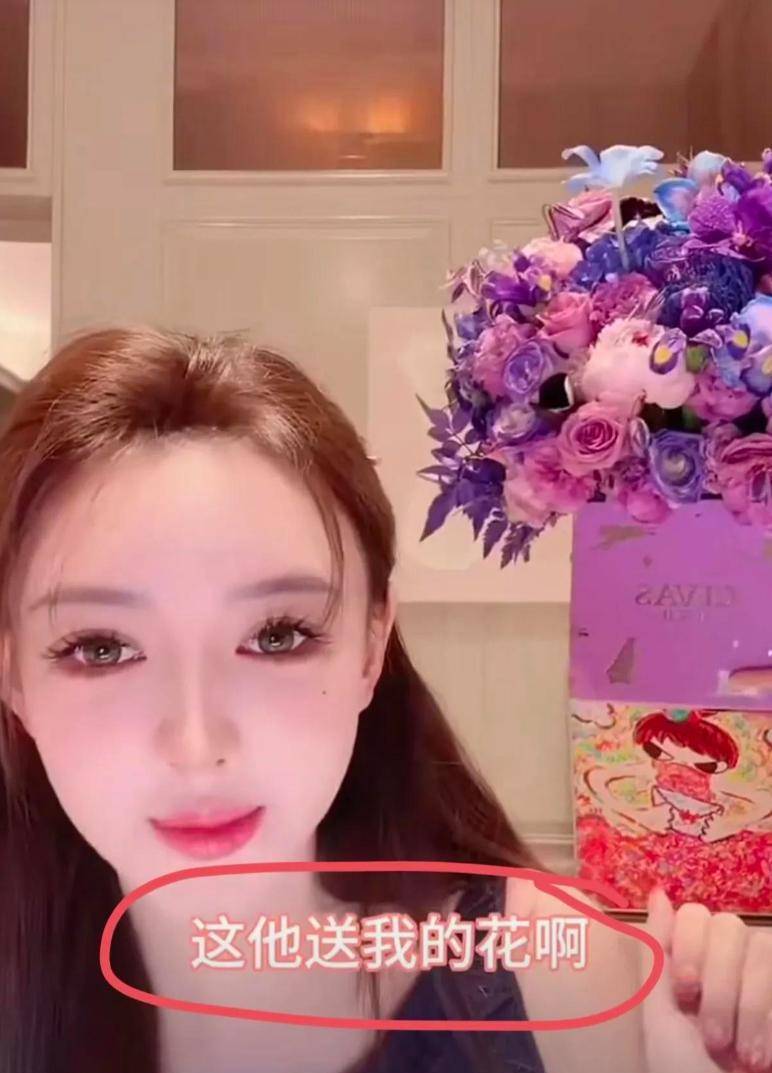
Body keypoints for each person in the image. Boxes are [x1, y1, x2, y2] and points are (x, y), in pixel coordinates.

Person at [0, 327, 769, 1073]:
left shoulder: (562, 985)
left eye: (277, 635)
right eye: (101, 647)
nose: (197, 746)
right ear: (12, 678)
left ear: (371, 648)